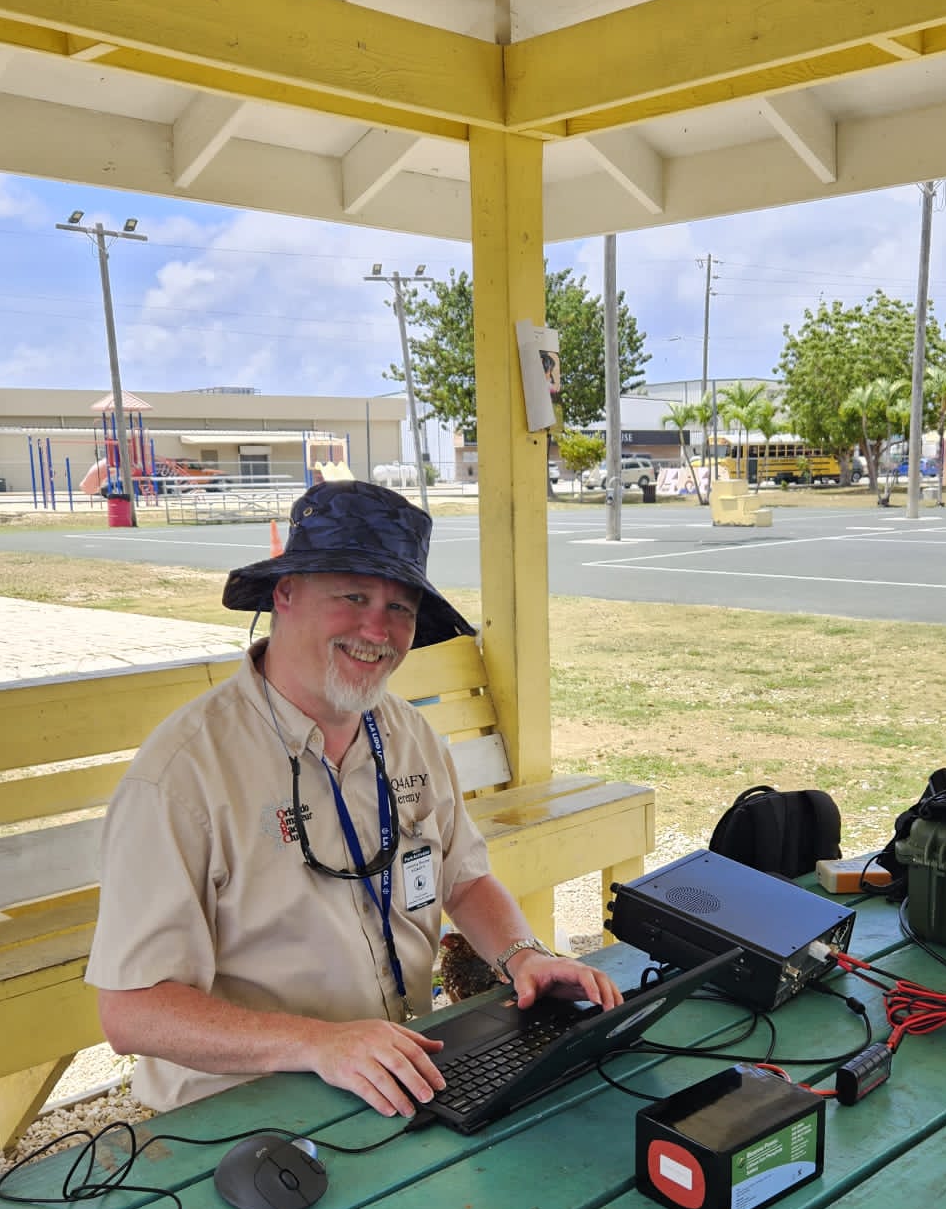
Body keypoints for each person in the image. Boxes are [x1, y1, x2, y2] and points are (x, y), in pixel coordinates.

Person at [86, 479, 620, 1118]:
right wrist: (319, 1044)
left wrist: (522, 954)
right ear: (285, 594)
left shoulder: (408, 733)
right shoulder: (182, 775)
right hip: (244, 1104)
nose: (378, 629)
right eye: (354, 595)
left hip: (396, 1073)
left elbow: (464, 879)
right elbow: (132, 1010)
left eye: (400, 607)